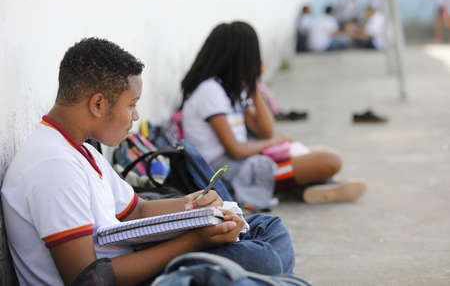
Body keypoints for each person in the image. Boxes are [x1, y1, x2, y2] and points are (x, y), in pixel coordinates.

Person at [1, 37, 295, 285]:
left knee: (267, 228)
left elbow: (136, 210)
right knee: (261, 257)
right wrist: (195, 242)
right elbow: (88, 279)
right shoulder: (53, 167)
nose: (136, 116)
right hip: (129, 278)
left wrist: (195, 206)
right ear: (99, 104)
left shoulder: (82, 151)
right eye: (132, 104)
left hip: (135, 258)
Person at [181, 21, 366, 211]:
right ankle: (309, 185)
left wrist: (253, 84)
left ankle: (308, 187)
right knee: (329, 161)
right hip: (227, 173)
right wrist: (274, 142)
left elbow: (265, 130)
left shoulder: (227, 90)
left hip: (244, 164)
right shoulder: (209, 91)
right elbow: (235, 150)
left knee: (316, 153)